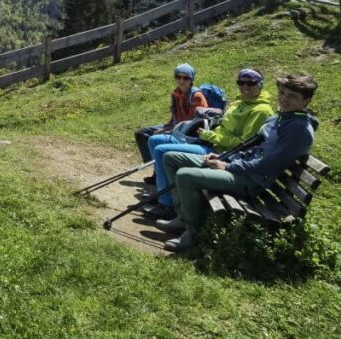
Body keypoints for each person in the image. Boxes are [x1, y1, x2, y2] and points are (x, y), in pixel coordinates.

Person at [157, 73, 319, 253]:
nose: (284, 99)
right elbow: (249, 147)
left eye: (292, 96)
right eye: (282, 93)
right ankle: (182, 217)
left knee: (185, 176)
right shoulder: (280, 118)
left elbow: (270, 164)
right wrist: (223, 158)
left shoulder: (298, 129)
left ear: (306, 101)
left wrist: (227, 166)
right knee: (171, 158)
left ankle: (194, 233)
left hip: (252, 181)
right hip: (240, 168)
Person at [143, 68, 274, 220]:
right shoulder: (239, 103)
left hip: (221, 153)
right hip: (210, 143)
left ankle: (167, 204)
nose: (245, 87)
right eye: (241, 83)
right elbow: (222, 127)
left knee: (161, 151)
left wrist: (209, 136)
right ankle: (163, 190)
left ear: (260, 84)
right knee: (155, 140)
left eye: (250, 83)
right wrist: (208, 131)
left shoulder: (261, 110)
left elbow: (243, 144)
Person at [133, 63, 208, 183]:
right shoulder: (176, 93)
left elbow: (191, 124)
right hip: (175, 126)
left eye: (185, 78)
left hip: (188, 133)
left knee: (155, 139)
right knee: (141, 134)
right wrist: (166, 127)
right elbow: (174, 116)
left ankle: (158, 173)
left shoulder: (197, 97)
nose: (181, 81)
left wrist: (168, 131)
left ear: (191, 79)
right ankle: (155, 167)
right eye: (178, 77)